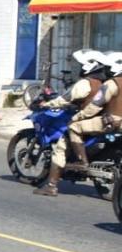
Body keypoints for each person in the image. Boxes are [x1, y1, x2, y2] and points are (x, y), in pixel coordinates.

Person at [33, 49, 109, 196]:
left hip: (86, 122)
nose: (79, 68)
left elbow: (65, 99)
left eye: (81, 65)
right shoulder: (104, 83)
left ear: (89, 66)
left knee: (60, 148)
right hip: (103, 121)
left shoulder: (85, 84)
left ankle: (51, 185)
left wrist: (47, 104)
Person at [65, 51, 122, 173]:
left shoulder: (112, 83)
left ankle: (82, 161)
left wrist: (78, 116)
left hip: (113, 122)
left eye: (108, 67)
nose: (106, 71)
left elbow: (95, 106)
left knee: (74, 127)